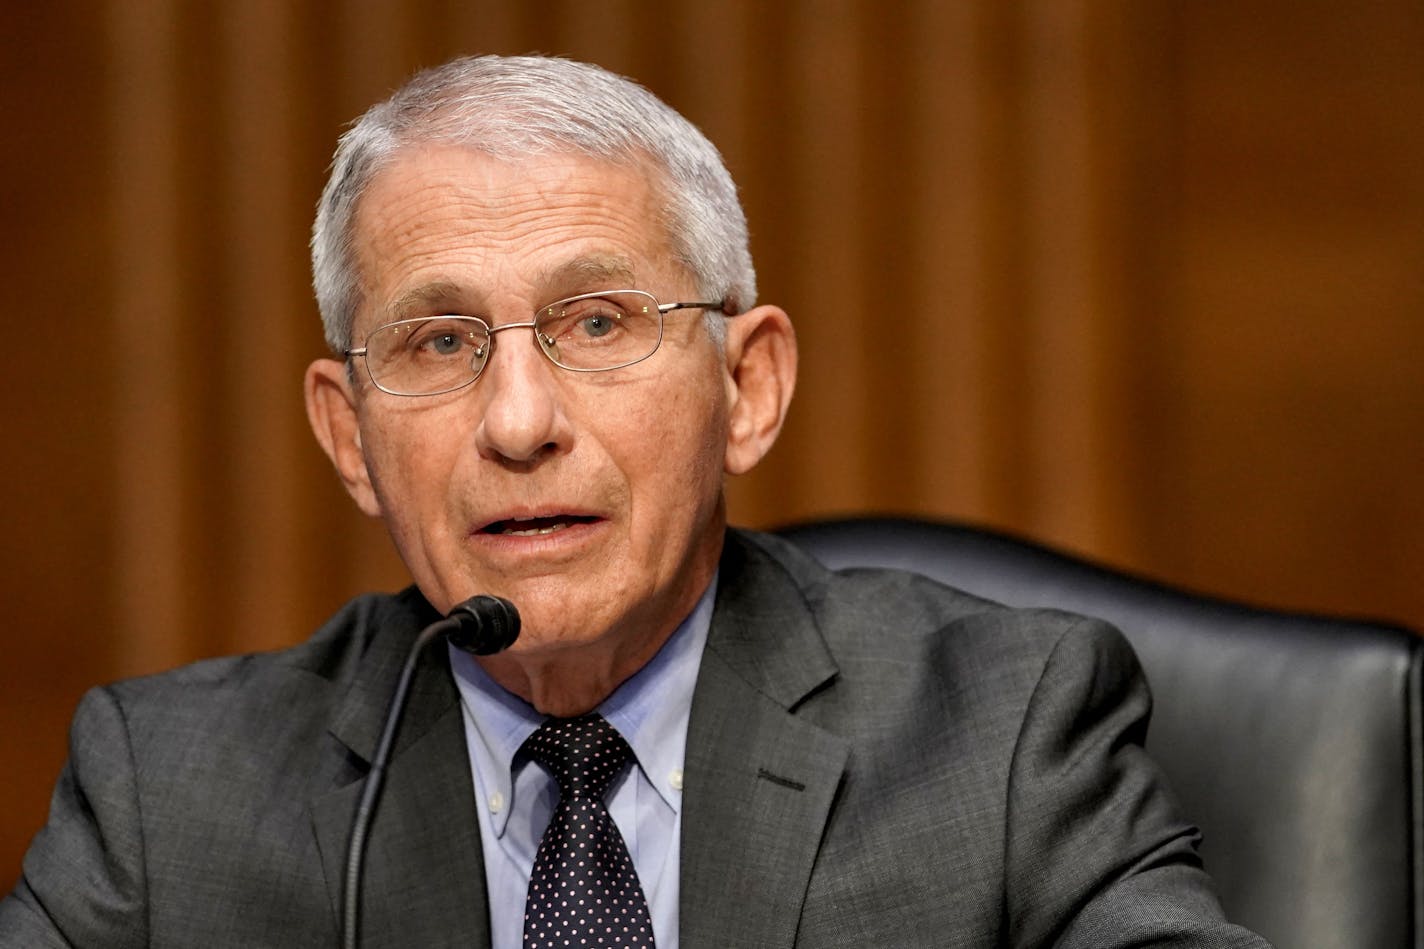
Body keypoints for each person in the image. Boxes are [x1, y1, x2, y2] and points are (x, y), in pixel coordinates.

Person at [0, 54, 1269, 948]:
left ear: (747, 386)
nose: (516, 423)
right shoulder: (168, 797)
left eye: (596, 322)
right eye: (438, 344)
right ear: (348, 434)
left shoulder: (998, 733)